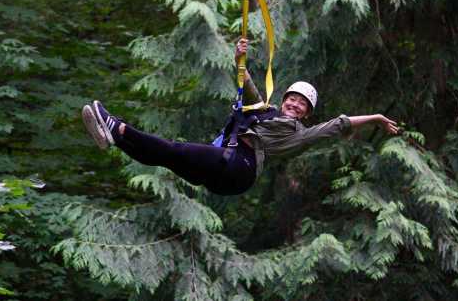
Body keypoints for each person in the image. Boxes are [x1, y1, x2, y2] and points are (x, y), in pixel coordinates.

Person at [82, 38, 399, 196]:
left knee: (175, 149)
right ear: (284, 99)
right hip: (224, 171)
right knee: (167, 157)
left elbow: (339, 124)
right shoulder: (264, 112)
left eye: (302, 104)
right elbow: (247, 88)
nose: (295, 104)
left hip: (239, 169)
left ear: (307, 114)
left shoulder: (300, 135)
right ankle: (116, 138)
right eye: (292, 98)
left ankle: (116, 126)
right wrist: (239, 60)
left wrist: (374, 117)